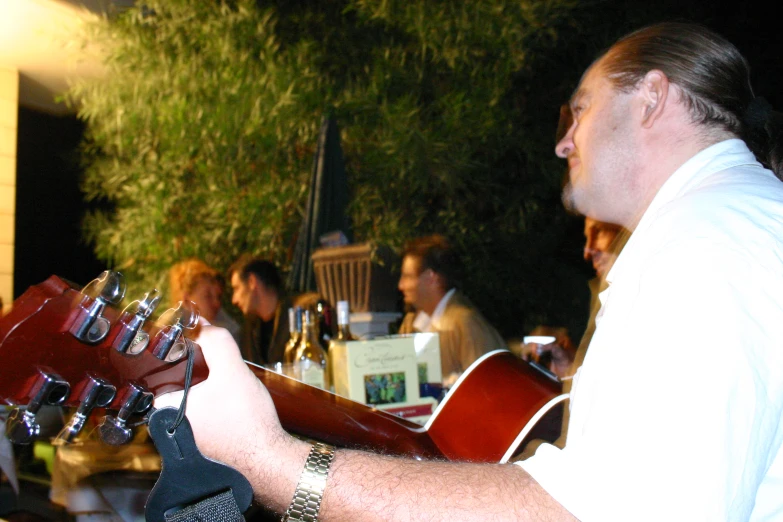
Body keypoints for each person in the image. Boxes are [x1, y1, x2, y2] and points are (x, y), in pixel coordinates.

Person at [158, 23, 783, 520]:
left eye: (579, 111)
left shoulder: (707, 246)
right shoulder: (723, 230)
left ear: (651, 98)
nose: (563, 144)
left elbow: (608, 512)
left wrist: (268, 461)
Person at [397, 234, 506, 386]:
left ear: (430, 278)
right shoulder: (411, 324)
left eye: (407, 277)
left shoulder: (466, 325)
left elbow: (489, 389)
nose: (401, 285)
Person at [228, 255, 293, 365]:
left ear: (252, 282)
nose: (234, 300)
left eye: (236, 288)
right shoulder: (249, 332)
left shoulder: (299, 315)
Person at [169, 258, 241, 343]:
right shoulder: (168, 331)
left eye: (218, 297)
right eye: (208, 296)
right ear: (186, 300)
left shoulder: (225, 328)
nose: (217, 303)